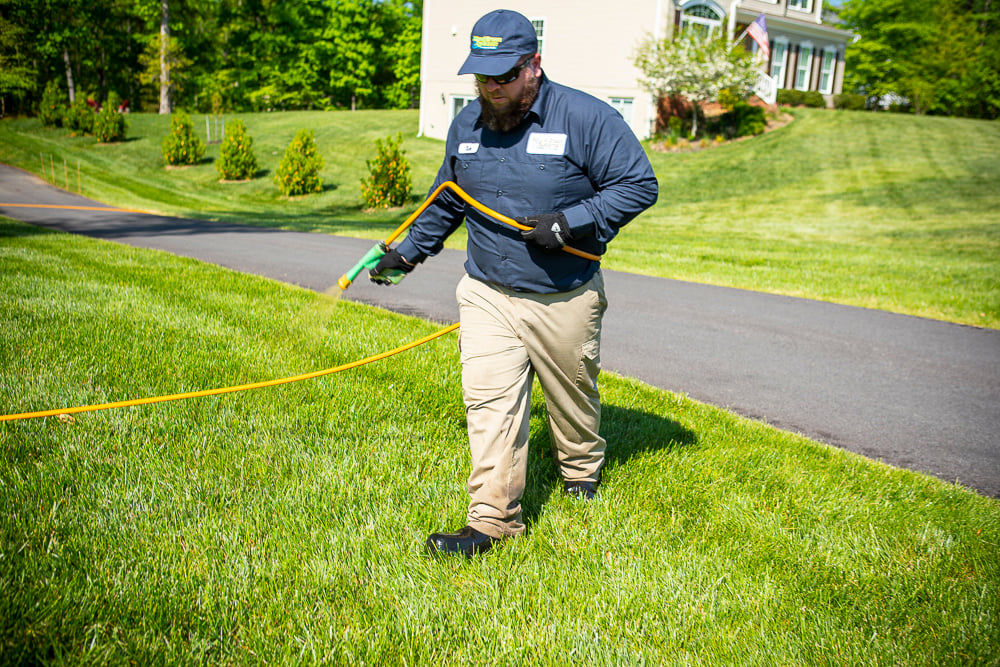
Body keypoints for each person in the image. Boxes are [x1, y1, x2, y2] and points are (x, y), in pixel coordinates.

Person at [371, 9, 658, 557]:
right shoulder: (467, 125)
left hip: (564, 295)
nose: (492, 88)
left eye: (504, 76)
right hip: (486, 293)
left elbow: (639, 186)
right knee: (489, 404)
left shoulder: (586, 117)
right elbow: (447, 198)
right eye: (482, 77)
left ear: (535, 65)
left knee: (571, 400)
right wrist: (406, 254)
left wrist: (571, 222)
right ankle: (492, 520)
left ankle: (580, 467)